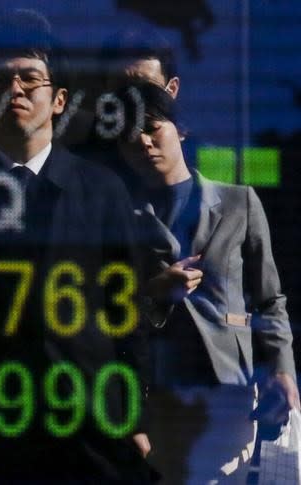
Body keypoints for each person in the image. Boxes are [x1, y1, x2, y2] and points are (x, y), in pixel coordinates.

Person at [0, 9, 155, 482]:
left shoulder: (102, 188)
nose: (15, 91)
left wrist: (136, 413)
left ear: (60, 98)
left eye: (30, 78)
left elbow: (126, 309)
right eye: (0, 82)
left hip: (87, 417)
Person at [115, 80, 299, 484]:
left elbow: (270, 301)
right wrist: (153, 294)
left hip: (227, 388)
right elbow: (106, 311)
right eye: (130, 137)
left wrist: (282, 369)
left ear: (180, 129)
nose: (143, 142)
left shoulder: (239, 202)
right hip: (154, 393)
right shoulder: (120, 217)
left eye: (152, 127)